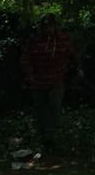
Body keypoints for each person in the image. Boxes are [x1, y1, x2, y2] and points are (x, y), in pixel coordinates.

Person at [20, 15, 78, 150]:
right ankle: (44, 138)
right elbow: (25, 60)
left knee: (54, 108)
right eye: (45, 26)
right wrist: (30, 77)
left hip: (56, 80)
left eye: (50, 26)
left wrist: (75, 70)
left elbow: (72, 56)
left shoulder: (62, 39)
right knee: (41, 111)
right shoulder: (34, 41)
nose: (48, 29)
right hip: (38, 81)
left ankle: (53, 138)